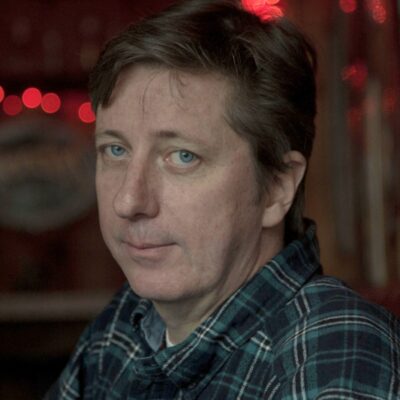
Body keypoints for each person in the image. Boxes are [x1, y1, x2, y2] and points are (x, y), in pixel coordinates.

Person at [46, 0, 400, 398]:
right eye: (115, 150)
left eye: (182, 157)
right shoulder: (123, 328)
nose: (128, 201)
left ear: (277, 187)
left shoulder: (333, 358)